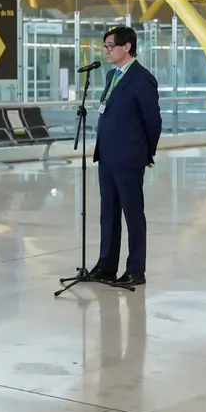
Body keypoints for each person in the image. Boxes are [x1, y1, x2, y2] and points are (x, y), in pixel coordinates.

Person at [89, 26, 162, 287]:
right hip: (107, 156)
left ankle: (135, 270)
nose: (106, 51)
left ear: (127, 47)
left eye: (110, 46)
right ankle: (106, 265)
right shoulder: (111, 76)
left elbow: (153, 121)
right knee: (107, 213)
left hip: (129, 157)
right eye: (105, 46)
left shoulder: (142, 79)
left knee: (132, 214)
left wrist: (147, 152)